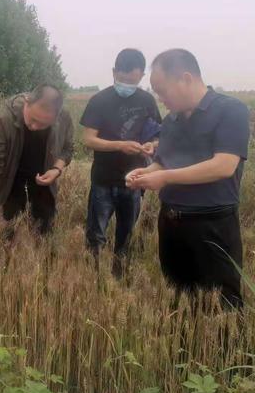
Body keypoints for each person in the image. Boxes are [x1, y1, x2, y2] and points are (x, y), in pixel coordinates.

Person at [126, 49, 250, 309]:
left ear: (185, 79)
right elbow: (163, 161)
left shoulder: (231, 110)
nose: (160, 99)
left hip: (212, 225)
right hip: (171, 223)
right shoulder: (172, 120)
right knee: (179, 299)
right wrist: (144, 173)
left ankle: (218, 350)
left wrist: (164, 178)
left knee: (220, 306)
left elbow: (223, 165)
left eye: (163, 91)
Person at [80, 49, 162, 277]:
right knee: (96, 235)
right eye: (122, 79)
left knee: (126, 235)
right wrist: (120, 145)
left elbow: (157, 135)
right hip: (103, 180)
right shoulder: (100, 100)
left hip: (135, 180)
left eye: (132, 81)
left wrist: (151, 146)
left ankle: (120, 277)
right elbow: (88, 139)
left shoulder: (147, 101)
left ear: (141, 76)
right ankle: (92, 277)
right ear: (114, 72)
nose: (126, 84)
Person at [0, 84, 74, 239]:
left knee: (45, 238)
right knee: (5, 239)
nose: (35, 127)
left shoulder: (63, 118)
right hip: (10, 185)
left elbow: (67, 148)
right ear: (27, 102)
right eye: (33, 119)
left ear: (55, 118)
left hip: (44, 187)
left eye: (43, 124)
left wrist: (56, 170)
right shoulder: (4, 119)